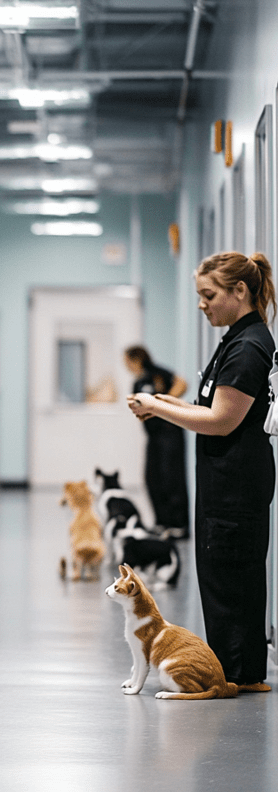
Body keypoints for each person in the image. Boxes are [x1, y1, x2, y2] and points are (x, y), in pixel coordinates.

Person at [127, 251, 276, 692]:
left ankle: (236, 675)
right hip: (226, 481)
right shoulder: (236, 339)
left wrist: (155, 404)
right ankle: (237, 671)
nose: (201, 304)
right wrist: (165, 404)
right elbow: (210, 407)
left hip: (236, 486)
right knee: (223, 575)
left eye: (208, 295)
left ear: (240, 291)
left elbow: (222, 420)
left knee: (231, 578)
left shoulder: (248, 347)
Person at [123, 345, 190, 538]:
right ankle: (162, 523)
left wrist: (163, 403)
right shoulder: (139, 381)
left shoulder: (158, 374)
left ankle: (178, 525)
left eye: (127, 361)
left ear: (136, 359)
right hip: (153, 436)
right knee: (153, 478)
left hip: (170, 434)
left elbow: (182, 383)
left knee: (172, 478)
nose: (126, 365)